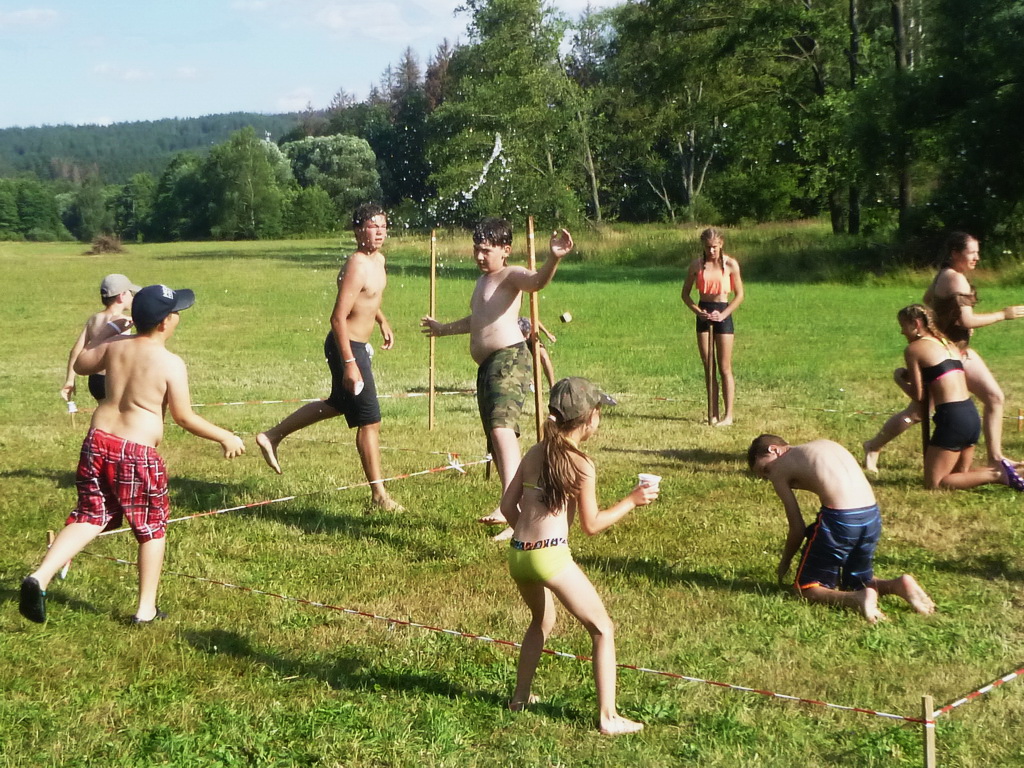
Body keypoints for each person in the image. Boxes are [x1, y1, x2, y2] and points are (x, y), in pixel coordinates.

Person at [20, 284, 245, 624]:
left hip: (98, 441)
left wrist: (108, 330)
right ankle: (146, 609)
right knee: (151, 527)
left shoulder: (115, 346)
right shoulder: (170, 363)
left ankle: (40, 576)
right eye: (176, 312)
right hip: (136, 452)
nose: (178, 317)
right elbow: (184, 417)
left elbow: (82, 363)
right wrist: (225, 436)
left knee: (90, 515)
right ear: (166, 322)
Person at [501, 377, 657, 735]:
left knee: (542, 621)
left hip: (519, 555)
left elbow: (508, 506)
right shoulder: (582, 464)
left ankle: (520, 698)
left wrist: (527, 539)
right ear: (590, 418)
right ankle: (608, 717)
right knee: (602, 629)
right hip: (550, 556)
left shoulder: (535, 451)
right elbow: (592, 524)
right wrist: (632, 501)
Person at [421, 217, 573, 538]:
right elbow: (477, 320)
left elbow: (536, 282)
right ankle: (512, 510)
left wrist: (553, 258)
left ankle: (514, 509)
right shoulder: (482, 282)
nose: (479, 256)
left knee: (502, 429)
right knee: (498, 434)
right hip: (489, 365)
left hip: (509, 358)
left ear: (505, 249)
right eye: (476, 249)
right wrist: (443, 329)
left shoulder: (510, 274)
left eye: (486, 250)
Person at [256, 203, 403, 512]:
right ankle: (379, 497)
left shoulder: (378, 260)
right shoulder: (357, 264)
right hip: (346, 346)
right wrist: (350, 363)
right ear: (358, 230)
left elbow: (369, 298)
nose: (380, 232)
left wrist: (382, 320)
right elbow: (337, 317)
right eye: (373, 226)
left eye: (383, 225)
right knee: (370, 421)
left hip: (357, 346)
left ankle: (272, 436)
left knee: (337, 404)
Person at [868, 232, 1024, 471]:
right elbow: (967, 320)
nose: (977, 258)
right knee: (919, 412)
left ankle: (995, 458)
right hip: (945, 356)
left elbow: (928, 299)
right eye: (972, 253)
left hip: (958, 350)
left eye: (978, 252)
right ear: (955, 253)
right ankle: (873, 446)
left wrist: (943, 322)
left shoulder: (945, 274)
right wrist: (1004, 314)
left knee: (994, 397)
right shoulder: (956, 279)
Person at [747, 434, 936, 624]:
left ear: (774, 449)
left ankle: (858, 599)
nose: (768, 476)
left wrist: (785, 563)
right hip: (871, 516)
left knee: (805, 588)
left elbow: (797, 528)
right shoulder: (823, 444)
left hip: (841, 520)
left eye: (765, 469)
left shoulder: (779, 468)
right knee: (856, 582)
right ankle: (898, 585)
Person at [895, 305, 1024, 491]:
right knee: (960, 474)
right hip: (971, 414)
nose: (902, 332)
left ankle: (999, 474)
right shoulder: (949, 344)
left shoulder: (914, 349)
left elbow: (919, 397)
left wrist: (899, 379)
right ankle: (1017, 471)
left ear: (916, 324)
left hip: (952, 418)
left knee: (935, 484)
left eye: (903, 326)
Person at [680, 227, 745, 426]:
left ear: (721, 244)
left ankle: (728, 415)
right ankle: (713, 414)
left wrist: (723, 314)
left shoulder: (731, 265)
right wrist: (698, 311)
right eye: (708, 247)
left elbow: (739, 295)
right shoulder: (697, 265)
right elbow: (685, 294)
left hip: (723, 312)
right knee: (709, 367)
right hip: (704, 313)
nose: (711, 251)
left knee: (724, 367)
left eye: (715, 247)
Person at [60, 273, 141, 404]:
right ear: (121, 296)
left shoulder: (94, 319)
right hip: (114, 379)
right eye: (130, 293)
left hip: (96, 379)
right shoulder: (123, 322)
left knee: (104, 410)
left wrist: (70, 380)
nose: (132, 297)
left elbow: (76, 351)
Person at [518, 315, 556, 388]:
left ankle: (552, 387)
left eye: (526, 335)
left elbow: (536, 321)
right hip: (518, 342)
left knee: (544, 357)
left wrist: (548, 334)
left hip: (532, 338)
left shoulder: (528, 322)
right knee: (522, 359)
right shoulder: (513, 329)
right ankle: (529, 381)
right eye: (523, 335)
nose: (525, 338)